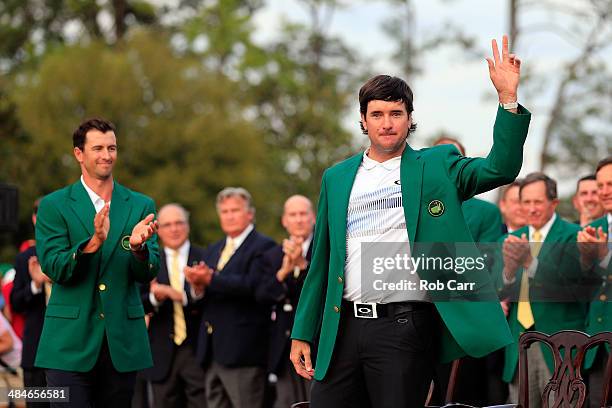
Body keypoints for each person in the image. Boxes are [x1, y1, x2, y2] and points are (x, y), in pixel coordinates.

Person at [290, 35, 531, 407]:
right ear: (363, 121)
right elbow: (321, 260)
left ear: (409, 118)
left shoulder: (438, 165)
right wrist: (303, 331)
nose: (387, 123)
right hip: (342, 328)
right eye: (377, 114)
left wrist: (507, 100)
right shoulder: (336, 177)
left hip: (403, 329)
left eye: (396, 113)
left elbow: (501, 167)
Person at [34, 118, 160, 407]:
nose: (107, 155)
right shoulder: (54, 206)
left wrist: (139, 250)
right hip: (68, 345)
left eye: (112, 148)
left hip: (122, 345)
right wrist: (93, 243)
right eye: (98, 148)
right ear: (79, 154)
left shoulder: (141, 205)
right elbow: (54, 267)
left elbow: (149, 271)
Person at [496, 172, 587, 407]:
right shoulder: (512, 239)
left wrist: (530, 263)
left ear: (554, 203)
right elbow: (499, 291)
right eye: (526, 202)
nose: (531, 208)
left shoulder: (573, 236)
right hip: (520, 343)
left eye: (538, 202)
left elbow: (572, 287)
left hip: (560, 344)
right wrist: (508, 271)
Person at [185, 187, 276, 408]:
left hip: (244, 353)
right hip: (211, 350)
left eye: (235, 210)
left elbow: (254, 287)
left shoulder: (264, 246)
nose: (230, 215)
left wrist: (211, 280)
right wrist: (197, 287)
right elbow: (205, 295)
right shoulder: (214, 248)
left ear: (250, 214)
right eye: (224, 211)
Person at [141, 203, 207, 408]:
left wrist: (182, 295)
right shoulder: (148, 261)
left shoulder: (205, 257)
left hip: (197, 349)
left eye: (179, 223)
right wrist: (155, 299)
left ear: (187, 226)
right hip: (161, 352)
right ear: (158, 230)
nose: (174, 229)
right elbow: (136, 301)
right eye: (167, 224)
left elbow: (213, 298)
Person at [257, 195, 315, 408]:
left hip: (315, 346)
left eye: (303, 214)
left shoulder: (323, 249)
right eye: (293, 214)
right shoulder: (271, 255)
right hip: (282, 349)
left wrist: (302, 264)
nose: (299, 219)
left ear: (313, 217)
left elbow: (322, 290)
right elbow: (261, 296)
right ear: (284, 220)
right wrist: (283, 272)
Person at [577, 156, 612, 407]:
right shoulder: (592, 229)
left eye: (611, 184)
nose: (604, 192)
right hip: (597, 345)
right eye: (601, 186)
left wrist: (604, 257)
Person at [10, 198, 50, 408]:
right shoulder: (25, 259)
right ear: (35, 219)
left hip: (73, 354)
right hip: (36, 355)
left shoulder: (76, 254)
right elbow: (15, 303)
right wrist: (35, 284)